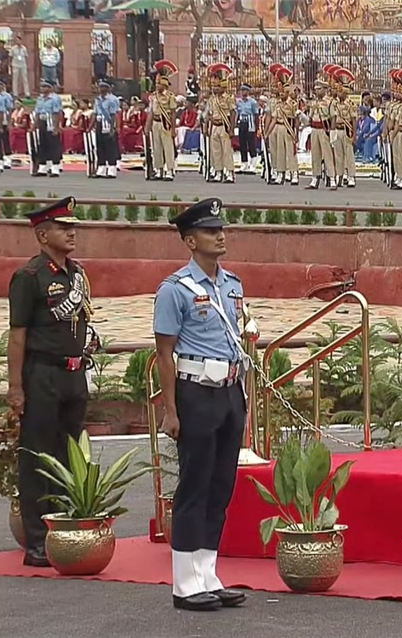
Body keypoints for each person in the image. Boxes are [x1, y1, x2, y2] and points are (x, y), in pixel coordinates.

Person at [153, 198, 249, 612]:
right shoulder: (175, 290)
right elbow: (164, 354)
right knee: (194, 484)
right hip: (196, 390)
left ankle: (208, 572)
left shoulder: (232, 285)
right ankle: (184, 582)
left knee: (220, 485)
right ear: (190, 241)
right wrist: (171, 410)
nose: (220, 235)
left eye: (221, 229)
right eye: (211, 231)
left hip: (229, 390)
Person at [8, 197, 94, 567]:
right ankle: (37, 541)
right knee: (38, 457)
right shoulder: (29, 277)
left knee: (69, 453)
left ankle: (64, 527)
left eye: (73, 227)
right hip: (42, 374)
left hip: (74, 375)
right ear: (43, 235)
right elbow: (17, 336)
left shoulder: (76, 273)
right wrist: (15, 387)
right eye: (63, 227)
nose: (72, 232)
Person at [94, 81, 121, 178]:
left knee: (110, 147)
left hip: (108, 123)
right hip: (99, 123)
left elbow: (114, 115)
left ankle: (112, 168)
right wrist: (90, 127)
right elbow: (95, 113)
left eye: (103, 87)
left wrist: (113, 128)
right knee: (100, 146)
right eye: (100, 87)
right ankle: (101, 167)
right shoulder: (97, 99)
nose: (100, 89)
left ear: (108, 88)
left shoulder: (112, 99)